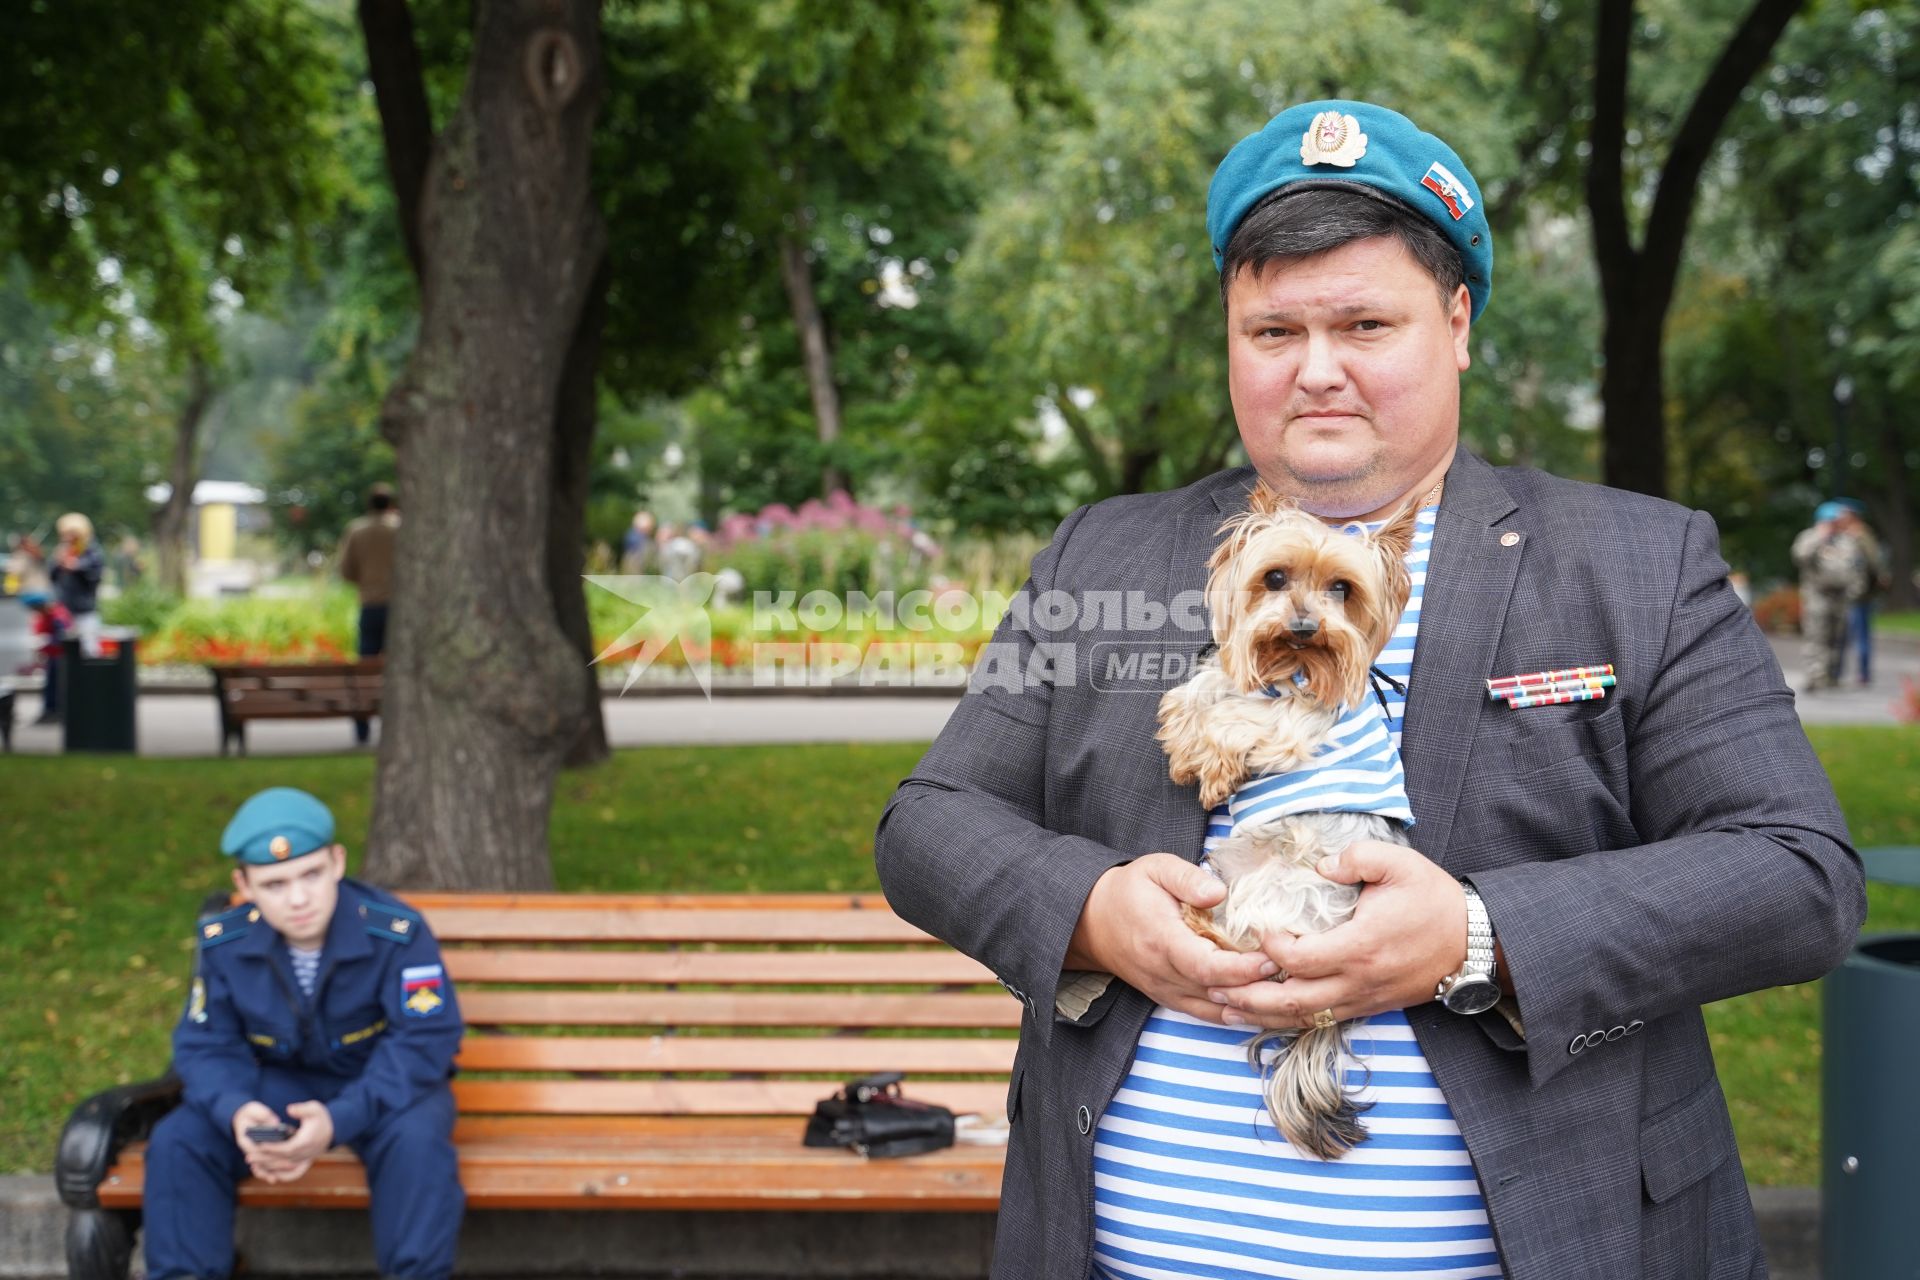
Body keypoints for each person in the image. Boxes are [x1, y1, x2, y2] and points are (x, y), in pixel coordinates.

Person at [874, 99, 1864, 1279]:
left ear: (1456, 322)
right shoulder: (1104, 552)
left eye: (1364, 323)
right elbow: (927, 825)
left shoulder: (1636, 562)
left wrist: (1478, 935)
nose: (1318, 371)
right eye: (1274, 329)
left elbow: (1796, 872)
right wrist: (1092, 910)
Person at [142, 787, 464, 1280]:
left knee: (417, 1143)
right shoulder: (224, 943)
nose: (297, 899)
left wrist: (338, 1121)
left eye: (311, 874)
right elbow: (206, 1044)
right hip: (280, 1084)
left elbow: (424, 1041)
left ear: (337, 862)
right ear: (243, 884)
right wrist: (236, 1111)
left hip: (381, 1084)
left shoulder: (396, 932)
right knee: (179, 1141)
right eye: (273, 884)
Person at [1792, 498, 1877, 691]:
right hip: (1817, 595)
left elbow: (1857, 568)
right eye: (1832, 520)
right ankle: (1814, 676)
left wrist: (1855, 590)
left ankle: (1832, 675)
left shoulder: (1846, 541)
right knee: (1816, 636)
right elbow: (1800, 556)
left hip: (1842, 596)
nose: (1836, 524)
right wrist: (1819, 537)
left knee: (1838, 637)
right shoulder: (1809, 537)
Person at [339, 484, 400, 744]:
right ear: (390, 503)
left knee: (365, 668)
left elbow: (346, 570)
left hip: (370, 605)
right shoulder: (401, 528)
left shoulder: (357, 530)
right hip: (399, 609)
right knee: (400, 669)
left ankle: (362, 728)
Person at [50, 512, 104, 656]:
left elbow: (95, 574)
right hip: (65, 609)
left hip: (85, 608)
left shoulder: (91, 552)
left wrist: (76, 566)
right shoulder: (62, 551)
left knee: (89, 649)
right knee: (64, 650)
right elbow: (52, 575)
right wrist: (58, 562)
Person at [20, 588, 73, 724]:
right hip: (51, 656)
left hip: (60, 657)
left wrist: (47, 639)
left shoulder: (58, 615)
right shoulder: (44, 616)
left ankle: (58, 713)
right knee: (50, 686)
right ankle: (49, 711)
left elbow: (63, 637)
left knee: (58, 686)